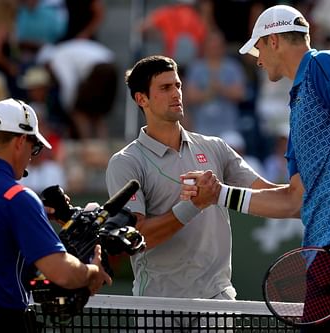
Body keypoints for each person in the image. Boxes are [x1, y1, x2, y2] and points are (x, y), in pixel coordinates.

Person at [180, 5, 330, 333]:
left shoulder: (325, 64)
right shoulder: (297, 108)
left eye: (258, 48)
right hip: (328, 249)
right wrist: (219, 195)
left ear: (273, 41)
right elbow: (293, 201)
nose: (257, 59)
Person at [105, 55, 277, 300]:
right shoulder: (125, 162)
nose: (176, 94)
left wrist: (308, 193)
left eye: (178, 86)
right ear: (141, 99)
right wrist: (194, 205)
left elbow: (269, 193)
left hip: (217, 296)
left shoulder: (215, 147)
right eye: (165, 88)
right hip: (157, 301)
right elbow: (139, 235)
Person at [0, 98, 111, 332]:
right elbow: (62, 273)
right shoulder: (17, 198)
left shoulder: (17, 202)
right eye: (35, 148)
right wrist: (92, 271)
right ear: (21, 142)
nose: (32, 157)